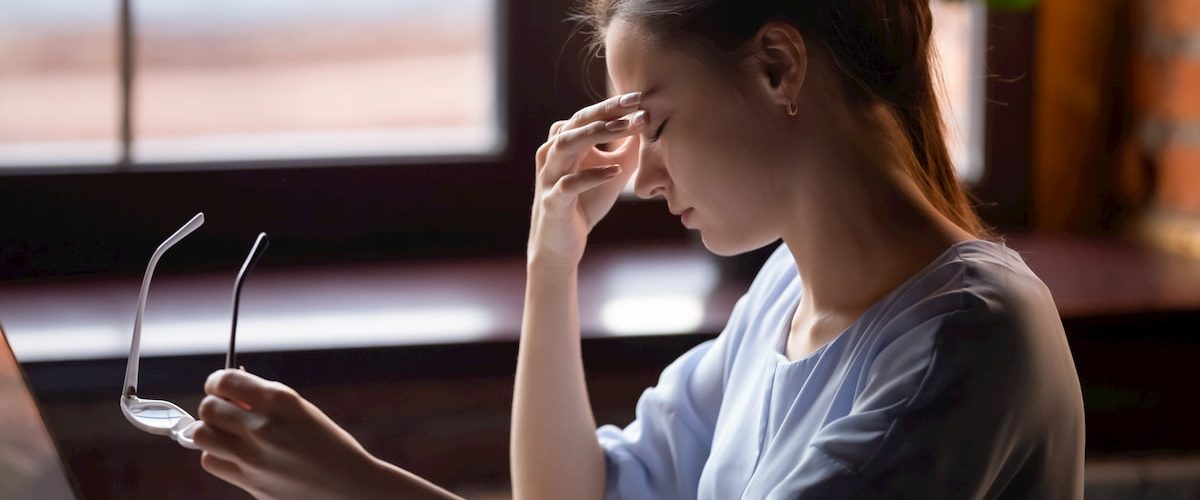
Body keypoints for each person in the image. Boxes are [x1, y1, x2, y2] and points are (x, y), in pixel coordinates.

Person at [191, 0, 1086, 498]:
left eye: (652, 124)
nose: (643, 178)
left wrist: (359, 491)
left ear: (779, 66)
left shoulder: (965, 345)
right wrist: (553, 257)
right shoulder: (787, 296)